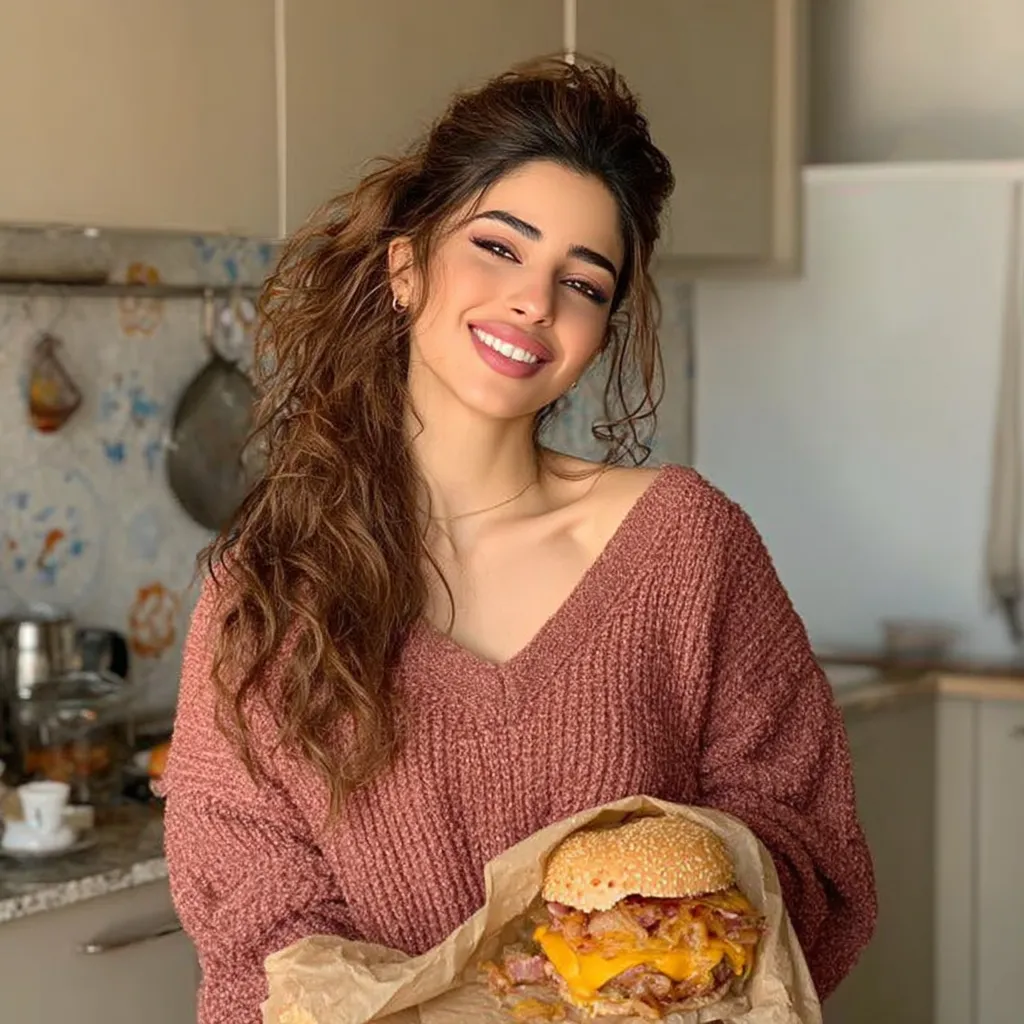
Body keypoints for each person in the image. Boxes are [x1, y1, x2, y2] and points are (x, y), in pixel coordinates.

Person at [162, 57, 877, 1024]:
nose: (534, 301)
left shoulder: (688, 546)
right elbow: (252, 935)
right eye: (500, 248)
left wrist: (655, 939)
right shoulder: (268, 592)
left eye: (582, 283)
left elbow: (812, 846)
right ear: (406, 265)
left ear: (597, 335)